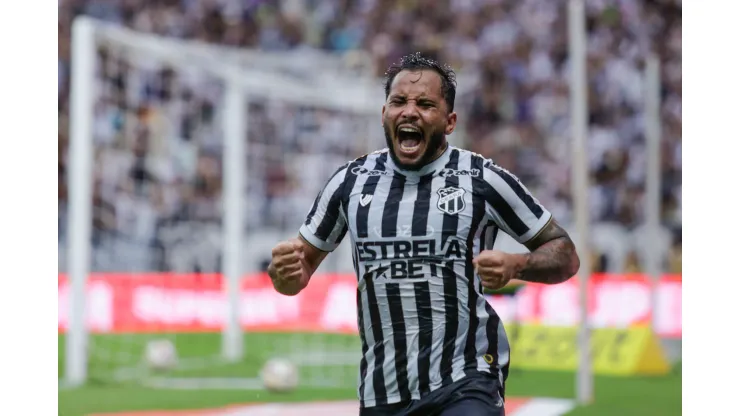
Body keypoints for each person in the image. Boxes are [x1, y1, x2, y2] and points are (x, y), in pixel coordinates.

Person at [267, 53, 580, 416]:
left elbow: (565, 254)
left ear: (449, 122)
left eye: (425, 104)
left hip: (466, 377)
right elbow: (294, 278)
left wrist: (517, 264)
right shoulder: (349, 183)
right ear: (384, 113)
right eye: (399, 102)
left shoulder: (482, 179)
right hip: (383, 390)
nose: (410, 112)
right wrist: (285, 273)